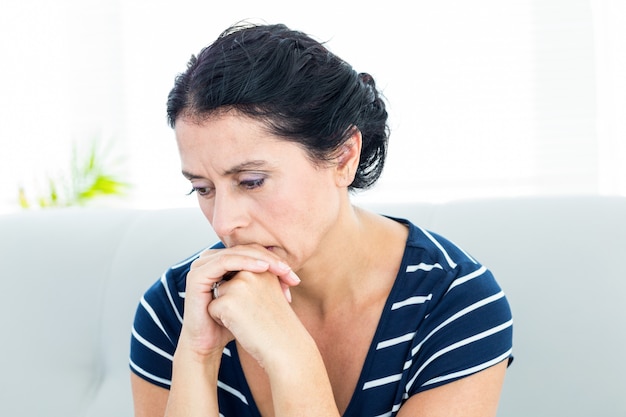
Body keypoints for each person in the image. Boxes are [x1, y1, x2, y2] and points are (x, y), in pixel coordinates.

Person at [129, 22, 513, 417]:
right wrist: (198, 355)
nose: (224, 223)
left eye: (252, 181)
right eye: (203, 189)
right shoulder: (178, 307)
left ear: (343, 158)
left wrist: (290, 355)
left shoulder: (454, 302)